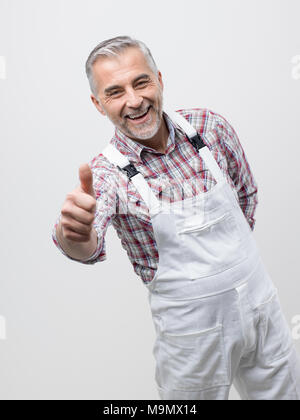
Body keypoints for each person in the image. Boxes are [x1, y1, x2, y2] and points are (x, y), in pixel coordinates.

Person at [52, 35, 300, 400]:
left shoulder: (210, 127)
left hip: (263, 311)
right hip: (192, 338)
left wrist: (230, 268)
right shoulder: (106, 175)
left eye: (141, 82)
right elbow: (86, 246)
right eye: (115, 92)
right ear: (98, 103)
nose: (134, 101)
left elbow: (246, 194)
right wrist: (73, 234)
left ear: (159, 79)